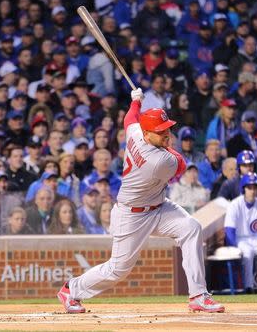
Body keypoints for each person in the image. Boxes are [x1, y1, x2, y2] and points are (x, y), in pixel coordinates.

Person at [57, 88, 224, 314]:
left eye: (167, 129)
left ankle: (198, 295)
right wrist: (142, 111)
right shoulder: (158, 160)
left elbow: (129, 119)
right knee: (118, 269)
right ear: (147, 135)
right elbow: (181, 164)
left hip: (159, 207)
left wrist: (136, 102)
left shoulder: (136, 133)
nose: (166, 134)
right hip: (132, 215)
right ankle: (71, 289)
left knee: (191, 227)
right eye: (160, 131)